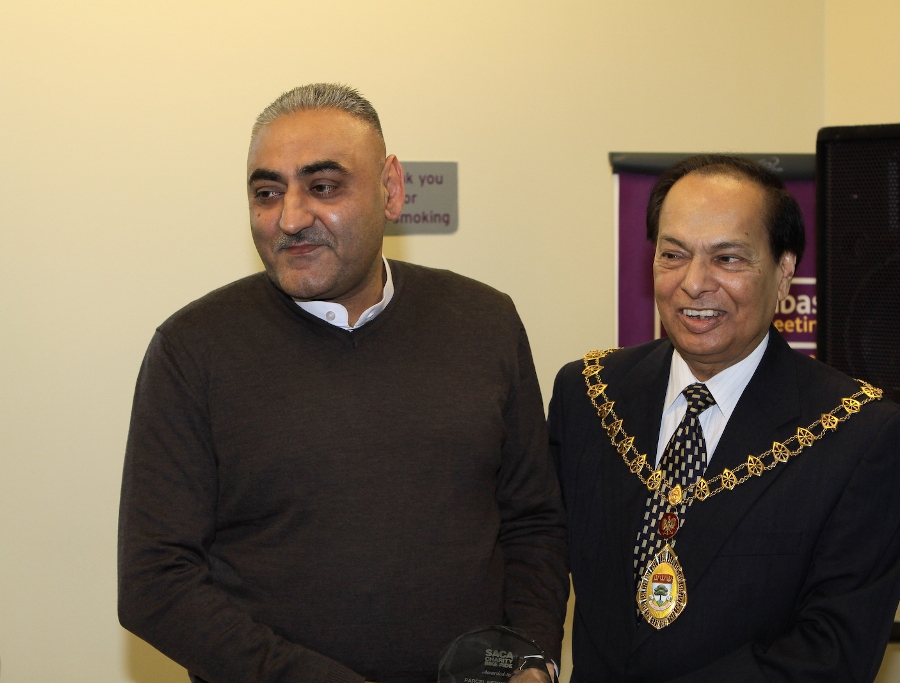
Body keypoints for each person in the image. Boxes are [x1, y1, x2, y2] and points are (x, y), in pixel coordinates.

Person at [118, 83, 568, 683]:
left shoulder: (485, 322)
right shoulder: (192, 349)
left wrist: (531, 657)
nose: (290, 218)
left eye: (323, 187)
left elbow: (533, 523)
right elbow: (154, 582)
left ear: (391, 189)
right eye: (267, 193)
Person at [548, 155, 900, 682]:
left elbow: (832, 652)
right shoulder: (588, 394)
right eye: (673, 255)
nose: (694, 283)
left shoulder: (863, 435)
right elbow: (536, 550)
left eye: (727, 258)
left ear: (785, 272)